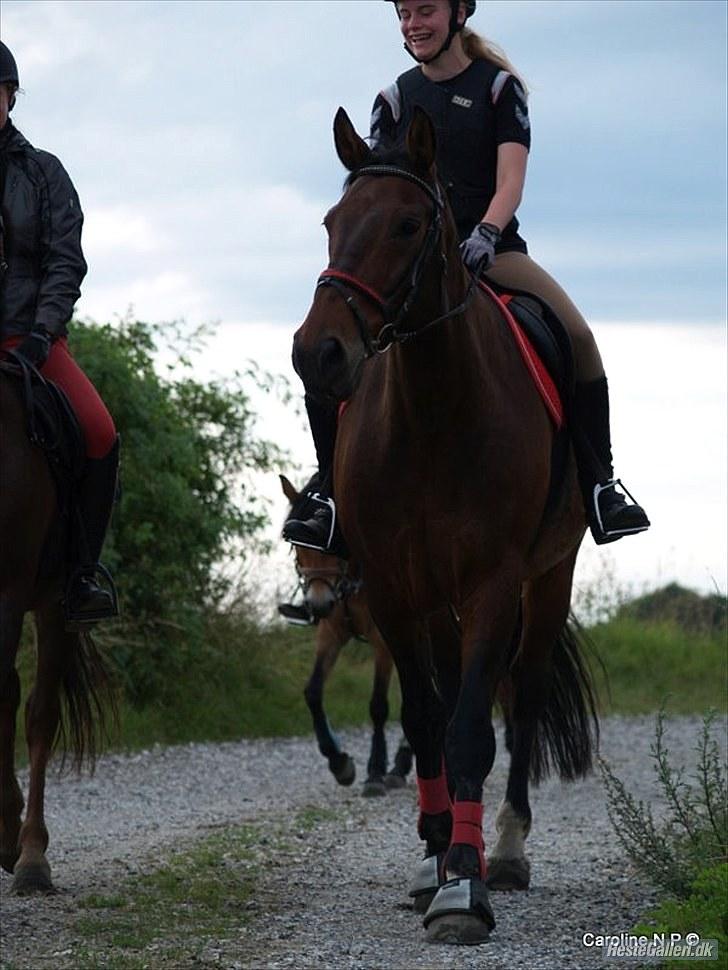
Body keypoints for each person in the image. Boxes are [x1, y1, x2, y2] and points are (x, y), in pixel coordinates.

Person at [283, 0, 649, 552]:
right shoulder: (394, 99)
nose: (413, 25)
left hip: (491, 251)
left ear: (458, 14)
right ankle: (329, 493)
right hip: (410, 263)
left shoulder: (500, 89)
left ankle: (602, 486)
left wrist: (484, 232)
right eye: (404, 14)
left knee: (578, 338)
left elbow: (510, 182)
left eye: (425, 11)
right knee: (330, 345)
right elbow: (376, 184)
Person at [0, 40, 119, 626]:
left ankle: (79, 577)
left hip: (31, 343)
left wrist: (43, 334)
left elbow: (63, 261)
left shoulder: (44, 173)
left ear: (10, 96)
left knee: (100, 433)